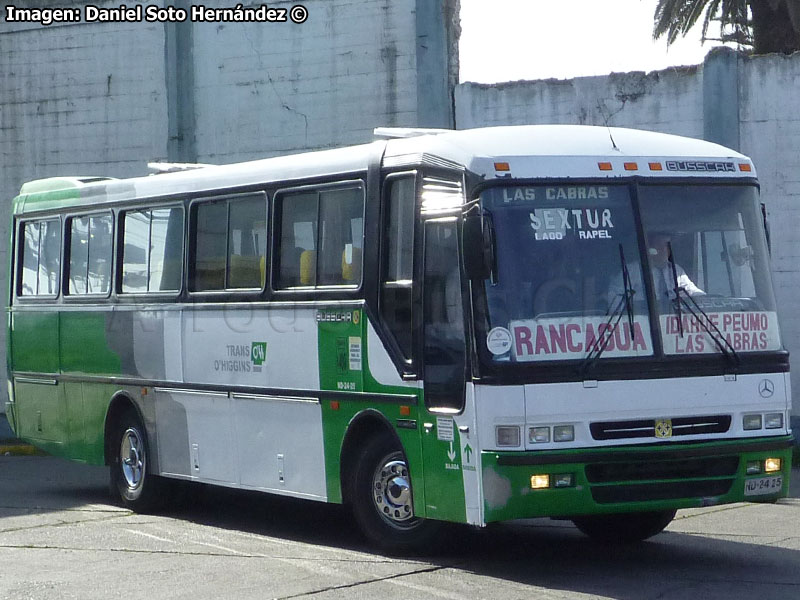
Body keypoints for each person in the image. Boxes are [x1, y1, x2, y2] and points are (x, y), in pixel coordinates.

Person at [608, 232, 703, 307]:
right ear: (650, 249)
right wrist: (633, 307)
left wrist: (705, 299)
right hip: (641, 321)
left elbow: (691, 291)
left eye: (666, 247)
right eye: (660, 247)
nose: (664, 251)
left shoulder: (675, 270)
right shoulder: (632, 270)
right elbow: (614, 297)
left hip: (671, 320)